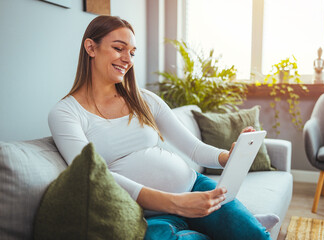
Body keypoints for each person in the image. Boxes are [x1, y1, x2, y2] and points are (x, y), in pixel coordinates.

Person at [48, 15, 279, 240]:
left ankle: (240, 226)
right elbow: (95, 175)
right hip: (148, 214)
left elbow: (194, 149)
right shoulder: (66, 113)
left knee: (256, 237)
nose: (127, 59)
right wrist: (176, 203)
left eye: (132, 52)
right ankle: (226, 228)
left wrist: (227, 157)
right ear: (91, 47)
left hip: (194, 187)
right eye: (119, 48)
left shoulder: (144, 100)